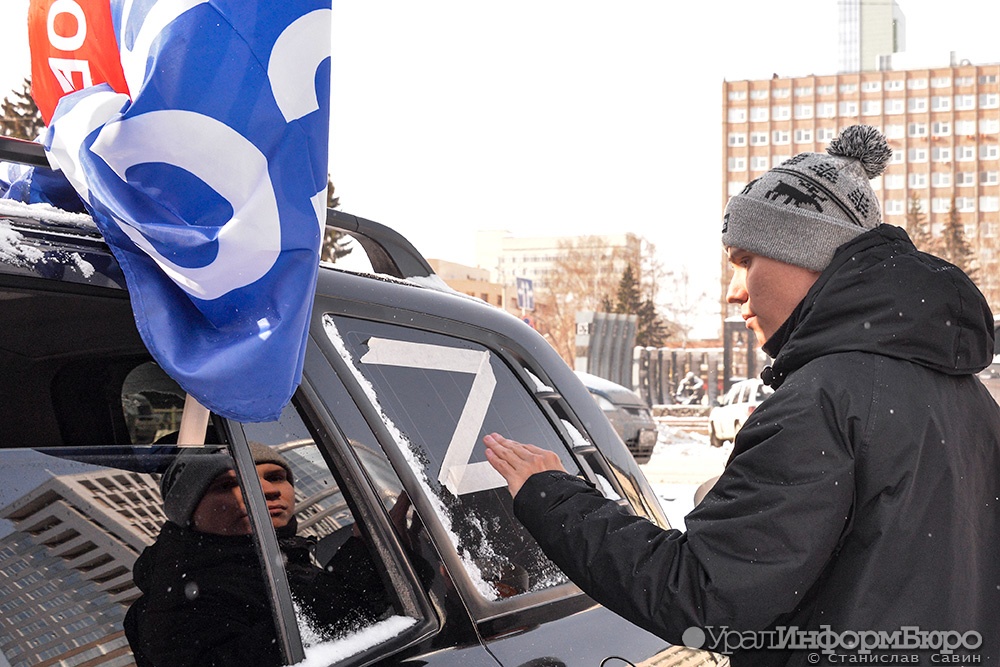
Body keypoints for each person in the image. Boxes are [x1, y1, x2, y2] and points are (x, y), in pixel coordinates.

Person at [483, 125, 1000, 666]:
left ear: (807, 256)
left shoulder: (822, 401)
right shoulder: (966, 395)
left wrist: (554, 499)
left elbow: (703, 598)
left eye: (745, 260)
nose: (734, 292)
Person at [124, 442, 392, 667]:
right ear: (189, 513)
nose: (268, 490)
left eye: (275, 477)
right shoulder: (174, 603)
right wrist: (366, 569)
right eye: (229, 484)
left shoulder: (282, 562)